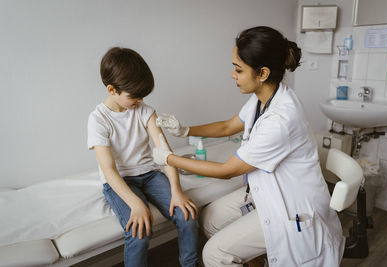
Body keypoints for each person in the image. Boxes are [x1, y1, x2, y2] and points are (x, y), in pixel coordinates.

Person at [153, 26, 345, 267]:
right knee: (210, 218)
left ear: (262, 73)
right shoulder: (263, 98)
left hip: (290, 206)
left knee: (214, 255)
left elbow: (227, 171)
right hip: (266, 192)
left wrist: (168, 158)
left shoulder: (281, 119)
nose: (232, 75)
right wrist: (185, 130)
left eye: (238, 69)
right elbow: (227, 127)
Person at [87, 47, 199, 267]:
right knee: (139, 231)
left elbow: (164, 152)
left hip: (149, 174)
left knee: (188, 216)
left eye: (142, 96)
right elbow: (109, 171)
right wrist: (136, 204)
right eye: (134, 96)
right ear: (112, 89)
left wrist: (177, 191)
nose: (139, 100)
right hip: (120, 181)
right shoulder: (98, 120)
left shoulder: (146, 111)